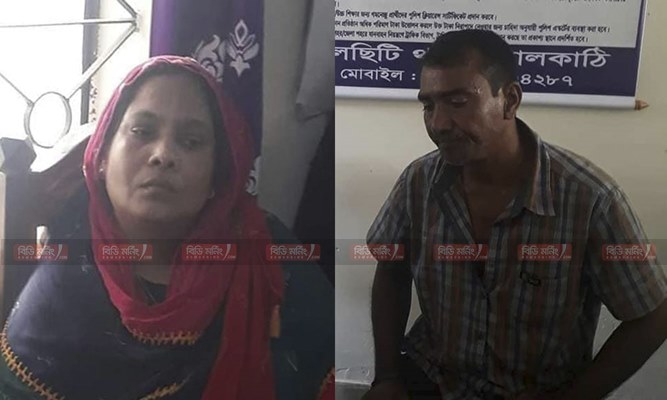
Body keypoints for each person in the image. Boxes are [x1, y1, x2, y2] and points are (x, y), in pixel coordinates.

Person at [0, 56, 333, 399]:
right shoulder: (61, 294)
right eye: (142, 132)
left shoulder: (265, 254)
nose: (163, 155)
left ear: (217, 177)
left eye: (191, 141)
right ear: (101, 157)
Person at [363, 30, 667, 400]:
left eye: (457, 102)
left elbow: (652, 315)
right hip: (433, 376)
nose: (438, 123)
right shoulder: (418, 182)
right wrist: (387, 376)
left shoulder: (589, 198)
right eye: (428, 105)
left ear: (509, 100)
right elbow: (391, 271)